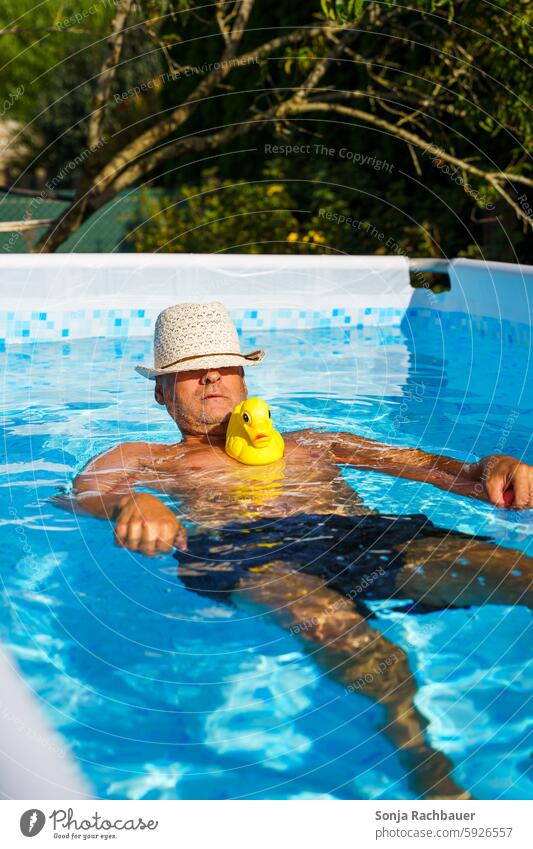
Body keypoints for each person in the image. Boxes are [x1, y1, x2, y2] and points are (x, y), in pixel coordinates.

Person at [71, 301, 533, 800]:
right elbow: (84, 491)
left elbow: (441, 471)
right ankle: (426, 764)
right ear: (161, 393)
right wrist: (130, 502)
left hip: (363, 535)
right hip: (249, 552)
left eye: (223, 366)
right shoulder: (149, 457)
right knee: (367, 650)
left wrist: (496, 467)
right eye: (188, 372)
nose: (209, 376)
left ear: (245, 382)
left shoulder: (316, 442)